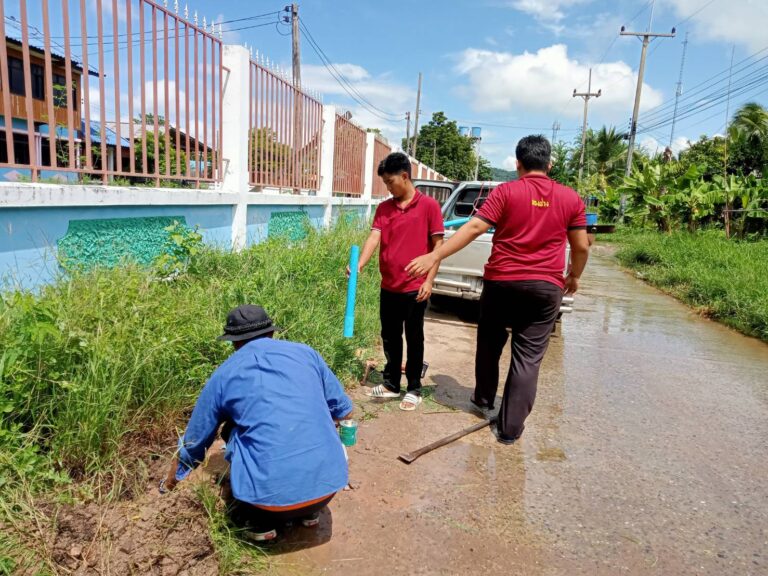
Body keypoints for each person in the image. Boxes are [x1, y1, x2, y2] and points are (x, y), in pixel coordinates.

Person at [406, 135, 589, 443]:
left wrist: (435, 254)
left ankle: (482, 400)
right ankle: (510, 429)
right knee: (527, 357)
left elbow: (475, 227)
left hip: (502, 283)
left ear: (518, 163)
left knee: (490, 344)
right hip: (545, 286)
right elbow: (581, 246)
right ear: (550, 164)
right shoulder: (570, 198)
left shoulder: (506, 191)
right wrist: (574, 275)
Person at [159, 304, 353, 541]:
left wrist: (169, 484)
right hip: (328, 488)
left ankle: (259, 525)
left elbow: (195, 442)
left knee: (232, 430)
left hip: (265, 505)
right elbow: (344, 412)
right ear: (272, 333)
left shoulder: (223, 374)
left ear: (234, 343)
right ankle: (310, 513)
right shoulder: (306, 353)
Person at [353, 152, 444, 411]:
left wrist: (429, 280)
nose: (388, 187)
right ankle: (392, 384)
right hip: (389, 286)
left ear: (405, 176)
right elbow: (374, 238)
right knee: (390, 336)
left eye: (390, 182)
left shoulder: (429, 207)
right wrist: (360, 262)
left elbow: (438, 247)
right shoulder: (384, 208)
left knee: (414, 337)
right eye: (385, 183)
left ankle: (414, 387)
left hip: (415, 288)